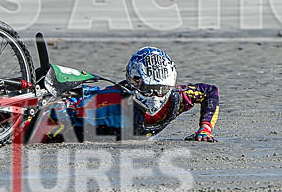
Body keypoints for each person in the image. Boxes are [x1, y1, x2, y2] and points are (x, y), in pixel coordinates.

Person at [27, 47, 219, 143]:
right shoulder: (115, 100)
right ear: (134, 83)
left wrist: (205, 129)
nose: (155, 96)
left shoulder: (178, 99)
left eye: (160, 89)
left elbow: (210, 92)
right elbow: (67, 106)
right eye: (148, 88)